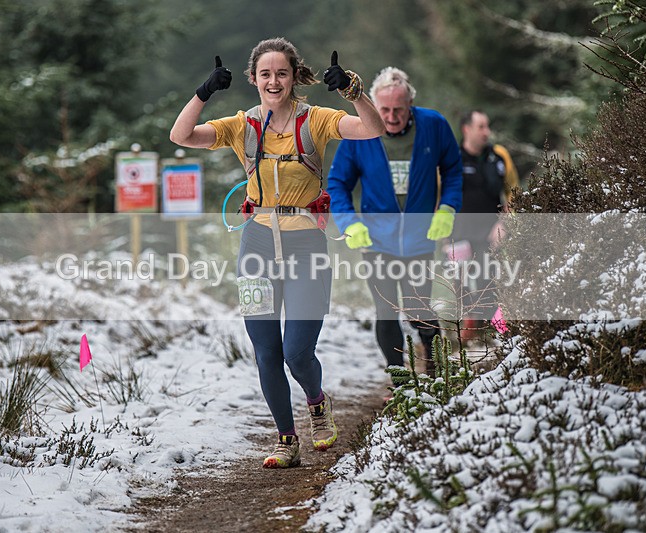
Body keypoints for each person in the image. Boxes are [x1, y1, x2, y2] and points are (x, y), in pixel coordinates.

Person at [170, 38, 384, 469]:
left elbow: (373, 129)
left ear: (293, 77)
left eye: (281, 73)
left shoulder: (316, 120)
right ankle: (287, 440)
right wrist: (204, 91)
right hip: (257, 246)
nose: (273, 81)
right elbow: (180, 136)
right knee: (266, 352)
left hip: (306, 244)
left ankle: (317, 402)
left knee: (296, 351)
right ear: (253, 79)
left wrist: (353, 90)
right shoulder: (241, 126)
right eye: (265, 74)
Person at [327, 66, 463, 378]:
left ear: (410, 105)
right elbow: (337, 184)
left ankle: (435, 372)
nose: (391, 117)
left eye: (398, 110)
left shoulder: (433, 125)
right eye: (384, 109)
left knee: (418, 309)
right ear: (374, 105)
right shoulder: (360, 132)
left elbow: (453, 171)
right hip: (376, 240)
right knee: (386, 312)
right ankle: (399, 381)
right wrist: (350, 224)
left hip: (419, 239)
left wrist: (447, 209)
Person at [452, 109, 519, 322]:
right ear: (466, 129)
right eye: (481, 127)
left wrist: (505, 223)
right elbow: (437, 197)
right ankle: (465, 342)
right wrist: (444, 237)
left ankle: (501, 336)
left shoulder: (499, 156)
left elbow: (514, 193)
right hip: (458, 235)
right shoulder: (451, 158)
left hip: (491, 233)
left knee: (489, 286)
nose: (486, 132)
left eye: (487, 126)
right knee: (460, 288)